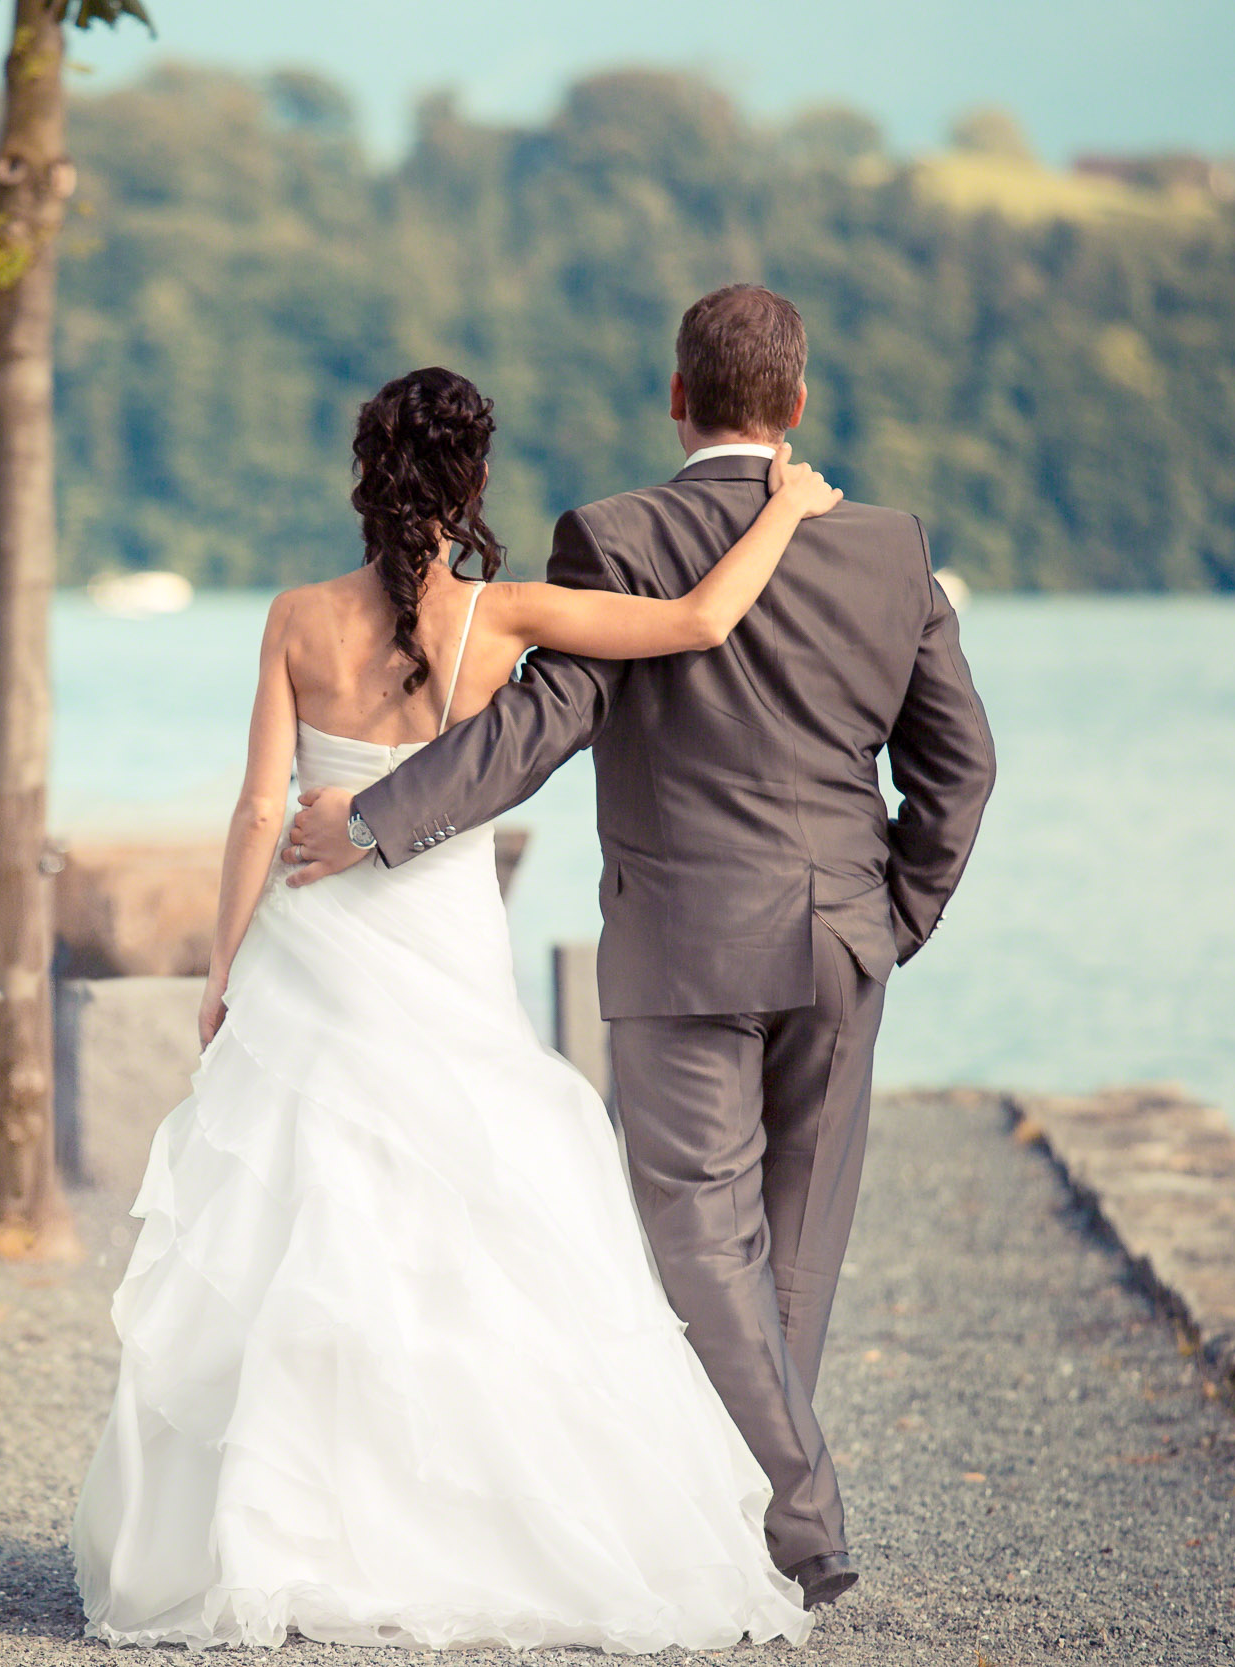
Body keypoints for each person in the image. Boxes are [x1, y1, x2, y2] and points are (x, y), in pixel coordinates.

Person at [68, 364, 844, 1652]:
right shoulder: (507, 614)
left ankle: (286, 1530)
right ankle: (469, 1529)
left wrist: (218, 967)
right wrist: (783, 507)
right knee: (470, 1211)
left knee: (304, 1219)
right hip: (442, 942)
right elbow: (702, 624)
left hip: (311, 950)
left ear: (365, 482)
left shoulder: (297, 617)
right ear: (472, 483)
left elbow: (262, 811)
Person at [289, 285, 999, 1609]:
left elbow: (540, 727)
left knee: (698, 1243)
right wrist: (898, 915)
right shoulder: (892, 547)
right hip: (844, 938)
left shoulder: (615, 534)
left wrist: (377, 820)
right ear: (795, 406)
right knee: (790, 1247)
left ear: (676, 400)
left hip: (682, 946)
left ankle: (789, 1518)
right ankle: (771, 1525)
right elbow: (961, 765)